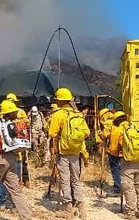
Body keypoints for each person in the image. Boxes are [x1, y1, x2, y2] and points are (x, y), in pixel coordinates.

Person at [48, 88, 91, 219]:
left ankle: (68, 209)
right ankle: (81, 207)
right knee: (76, 180)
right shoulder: (77, 114)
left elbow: (52, 133)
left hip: (63, 151)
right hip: (76, 151)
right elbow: (87, 133)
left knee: (65, 180)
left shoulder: (58, 114)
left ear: (59, 100)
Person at [110, 111, 139, 219]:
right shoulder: (135, 127)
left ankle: (130, 212)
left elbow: (113, 150)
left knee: (128, 188)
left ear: (116, 121)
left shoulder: (118, 130)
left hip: (127, 162)